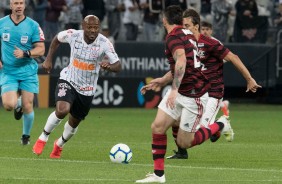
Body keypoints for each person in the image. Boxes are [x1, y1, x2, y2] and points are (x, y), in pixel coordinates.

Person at [142, 9, 262, 162]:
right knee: (175, 118)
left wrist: (249, 78)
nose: (184, 28)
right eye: (182, 25)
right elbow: (181, 68)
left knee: (199, 132)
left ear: (196, 26)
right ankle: (181, 152)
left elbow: (233, 57)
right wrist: (163, 80)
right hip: (194, 91)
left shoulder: (210, 43)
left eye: (187, 25)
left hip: (212, 93)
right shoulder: (186, 42)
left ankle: (221, 124)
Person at [135, 5, 233, 183]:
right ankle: (158, 176)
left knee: (184, 142)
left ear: (164, 20)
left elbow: (181, 60)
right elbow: (182, 64)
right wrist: (163, 81)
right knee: (157, 127)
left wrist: (173, 89)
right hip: (182, 89)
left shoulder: (172, 37)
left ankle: (219, 125)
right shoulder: (187, 34)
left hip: (193, 95)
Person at [32, 15, 122, 159]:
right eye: (90, 27)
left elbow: (118, 66)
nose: (93, 31)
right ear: (83, 26)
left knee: (73, 123)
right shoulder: (73, 35)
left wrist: (109, 67)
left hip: (87, 89)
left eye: (96, 28)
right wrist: (49, 59)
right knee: (62, 110)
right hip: (69, 79)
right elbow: (56, 38)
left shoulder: (104, 43)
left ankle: (59, 144)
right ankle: (43, 137)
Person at [0, 0, 45, 145]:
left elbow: (41, 49)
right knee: (8, 105)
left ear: (25, 5)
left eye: (21, 3)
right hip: (8, 71)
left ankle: (25, 136)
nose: (19, 6)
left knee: (28, 105)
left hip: (27, 71)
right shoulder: (2, 23)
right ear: (10, 5)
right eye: (15, 3)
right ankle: (17, 103)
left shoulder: (33, 25)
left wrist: (26, 53)